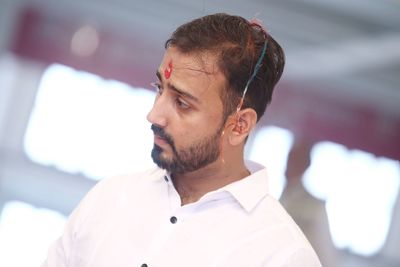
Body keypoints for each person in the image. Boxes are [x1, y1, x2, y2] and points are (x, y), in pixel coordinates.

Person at [43, 13, 321, 267]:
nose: (154, 115)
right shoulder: (111, 198)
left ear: (239, 125)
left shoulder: (283, 255)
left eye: (182, 103)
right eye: (159, 89)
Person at [280, 138, 338, 267]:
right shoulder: (275, 199)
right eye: (290, 157)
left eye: (297, 160)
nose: (290, 164)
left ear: (306, 165)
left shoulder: (315, 207)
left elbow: (326, 257)